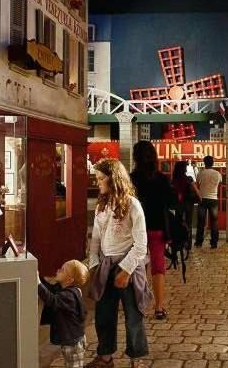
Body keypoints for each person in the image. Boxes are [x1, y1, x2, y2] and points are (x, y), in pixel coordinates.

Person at [87, 158, 152, 368]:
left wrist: (126, 270)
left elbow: (141, 244)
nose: (98, 183)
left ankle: (136, 359)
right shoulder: (102, 205)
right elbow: (96, 238)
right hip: (105, 265)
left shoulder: (133, 205)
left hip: (129, 265)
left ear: (113, 179)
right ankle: (105, 357)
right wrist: (94, 264)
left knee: (134, 316)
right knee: (103, 314)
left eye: (101, 178)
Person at [129, 141, 177, 320]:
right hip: (157, 228)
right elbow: (172, 202)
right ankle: (159, 306)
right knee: (158, 268)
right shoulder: (162, 178)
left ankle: (138, 303)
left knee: (138, 266)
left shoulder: (131, 179)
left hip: (136, 229)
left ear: (135, 158)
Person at [38, 260, 89, 368]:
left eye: (63, 270)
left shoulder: (69, 296)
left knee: (74, 365)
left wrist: (37, 283)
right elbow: (50, 289)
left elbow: (51, 300)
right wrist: (39, 278)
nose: (58, 270)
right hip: (72, 338)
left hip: (73, 342)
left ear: (69, 280)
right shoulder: (65, 289)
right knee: (71, 363)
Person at [172, 160, 201, 250]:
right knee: (189, 223)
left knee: (178, 223)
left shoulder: (174, 180)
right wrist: (200, 198)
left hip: (178, 204)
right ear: (184, 169)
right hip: (188, 203)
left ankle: (178, 243)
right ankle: (188, 244)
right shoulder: (189, 178)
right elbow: (196, 191)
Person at [196, 155, 222, 248]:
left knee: (201, 222)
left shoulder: (200, 173)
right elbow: (219, 185)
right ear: (213, 163)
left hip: (202, 199)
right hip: (213, 199)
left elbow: (197, 186)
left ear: (204, 163)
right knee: (214, 222)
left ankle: (199, 242)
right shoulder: (218, 174)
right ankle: (214, 243)